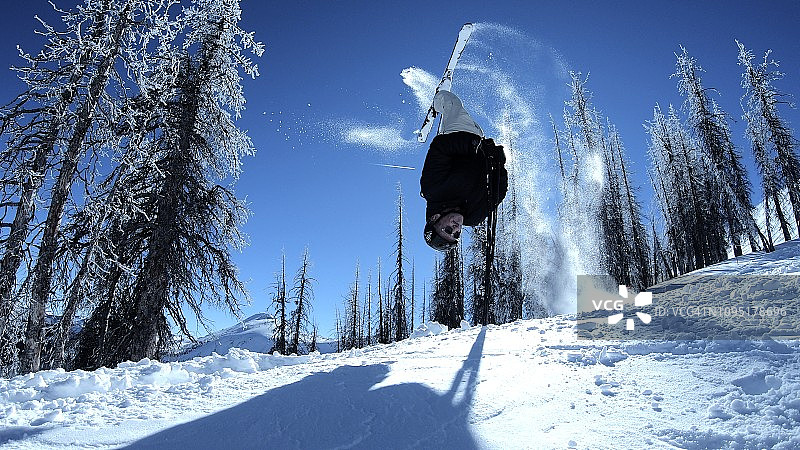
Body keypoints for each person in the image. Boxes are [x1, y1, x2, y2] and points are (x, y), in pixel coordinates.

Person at [420, 90, 508, 252]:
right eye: (456, 234)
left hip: (458, 133)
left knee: (453, 104)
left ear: (434, 218)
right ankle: (445, 111)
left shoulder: (433, 189)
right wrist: (498, 163)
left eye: (447, 230)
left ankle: (439, 100)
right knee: (475, 125)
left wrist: (473, 145)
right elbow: (498, 192)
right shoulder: (475, 216)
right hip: (482, 145)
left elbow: (440, 148)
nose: (455, 228)